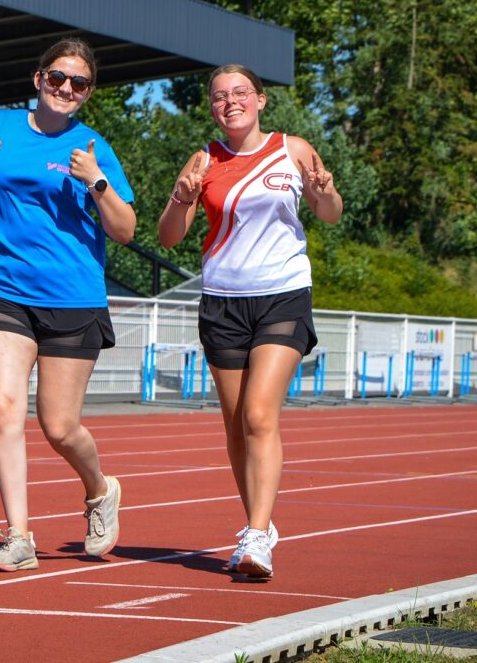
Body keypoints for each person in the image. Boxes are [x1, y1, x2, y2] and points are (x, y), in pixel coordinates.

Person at [0, 38, 136, 572]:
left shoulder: (92, 146)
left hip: (73, 298)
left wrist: (97, 183)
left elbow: (125, 230)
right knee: (2, 407)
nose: (65, 89)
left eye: (78, 83)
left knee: (58, 426)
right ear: (38, 79)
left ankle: (100, 489)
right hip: (4, 290)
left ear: (88, 92)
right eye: (57, 78)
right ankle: (19, 536)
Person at [157, 64, 343, 578]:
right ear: (213, 108)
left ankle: (258, 537)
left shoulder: (294, 149)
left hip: (282, 294)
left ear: (261, 100)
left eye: (241, 93)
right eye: (220, 97)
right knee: (237, 424)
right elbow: (169, 236)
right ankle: (256, 522)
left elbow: (329, 213)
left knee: (260, 415)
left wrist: (323, 190)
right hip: (223, 300)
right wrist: (183, 197)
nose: (230, 102)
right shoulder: (204, 159)